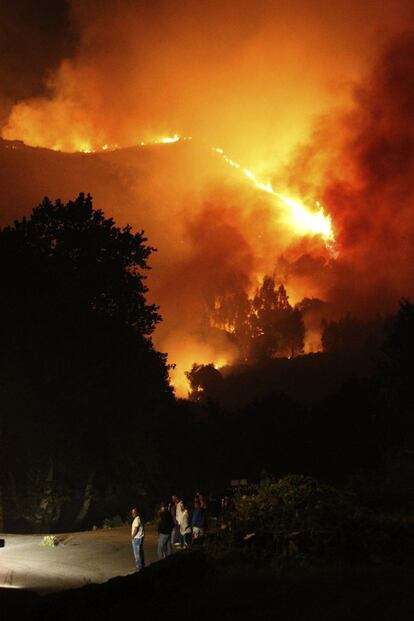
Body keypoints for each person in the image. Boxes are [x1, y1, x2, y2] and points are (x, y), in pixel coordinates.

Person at [131, 506, 145, 571]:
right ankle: (141, 566)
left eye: (134, 512)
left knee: (137, 553)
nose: (132, 514)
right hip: (139, 537)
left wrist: (132, 536)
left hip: (137, 538)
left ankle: (139, 567)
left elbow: (136, 529)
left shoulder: (137, 519)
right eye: (132, 513)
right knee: (139, 552)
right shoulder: (139, 519)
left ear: (137, 513)